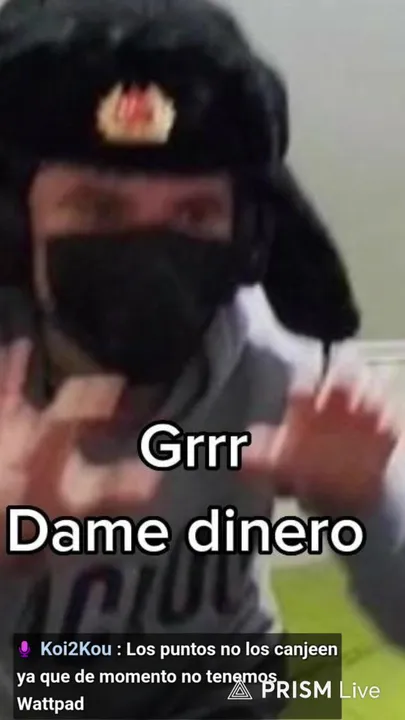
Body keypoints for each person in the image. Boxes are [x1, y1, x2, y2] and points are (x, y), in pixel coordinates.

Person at [0, 1, 403, 718]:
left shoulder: (288, 371)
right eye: (97, 210)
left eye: (194, 215)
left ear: (245, 239)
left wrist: (365, 508)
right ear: (13, 228)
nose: (150, 260)